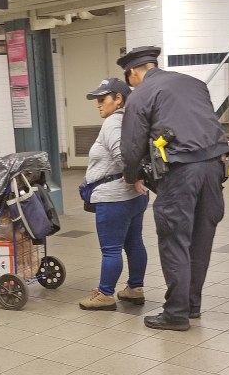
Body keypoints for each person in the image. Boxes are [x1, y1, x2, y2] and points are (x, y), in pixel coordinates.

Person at [118, 46, 229, 331]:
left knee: (175, 240)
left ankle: (176, 314)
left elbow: (132, 146)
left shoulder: (140, 94)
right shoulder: (194, 84)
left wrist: (133, 176)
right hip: (215, 169)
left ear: (133, 72)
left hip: (181, 173)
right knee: (201, 240)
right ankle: (192, 305)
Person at [79, 78, 149, 311]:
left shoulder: (112, 123)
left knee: (111, 248)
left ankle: (105, 294)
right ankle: (135, 289)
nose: (98, 104)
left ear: (118, 99)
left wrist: (133, 178)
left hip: (115, 197)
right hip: (135, 197)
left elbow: (124, 155)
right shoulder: (134, 120)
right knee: (134, 242)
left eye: (102, 99)